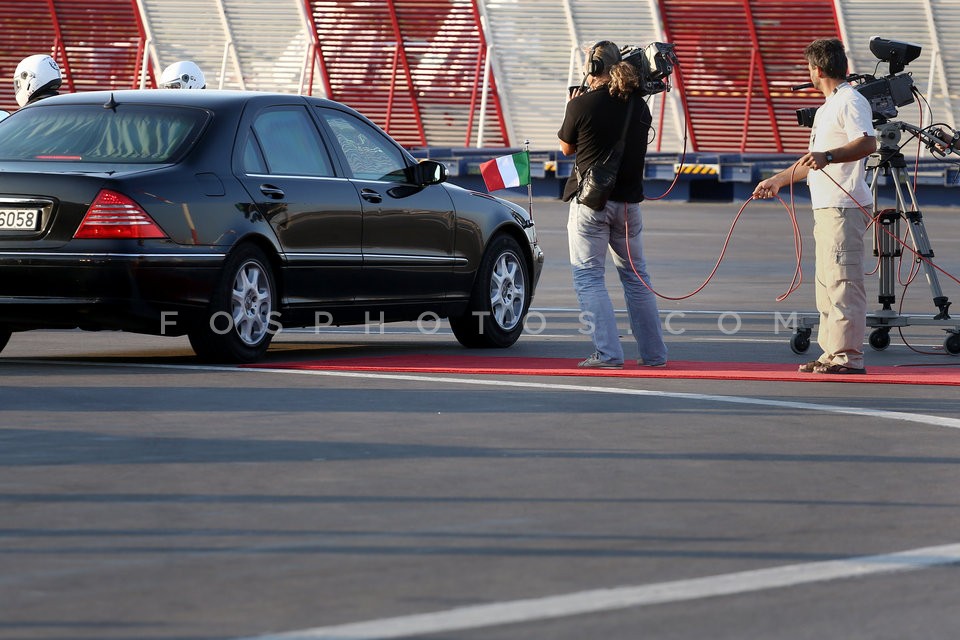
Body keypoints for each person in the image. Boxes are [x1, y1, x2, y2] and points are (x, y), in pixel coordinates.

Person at [753, 38, 877, 374]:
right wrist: (778, 180)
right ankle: (832, 352)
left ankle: (848, 356)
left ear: (816, 70)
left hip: (843, 206)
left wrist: (830, 156)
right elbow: (813, 161)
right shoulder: (827, 108)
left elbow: (868, 141)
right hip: (827, 207)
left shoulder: (850, 101)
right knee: (827, 283)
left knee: (843, 282)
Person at [558, 40, 667, 369]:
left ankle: (607, 354)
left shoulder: (581, 106)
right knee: (636, 277)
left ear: (593, 68)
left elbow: (566, 148)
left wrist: (571, 105)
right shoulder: (641, 107)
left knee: (589, 278)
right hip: (629, 206)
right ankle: (654, 355)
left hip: (591, 205)